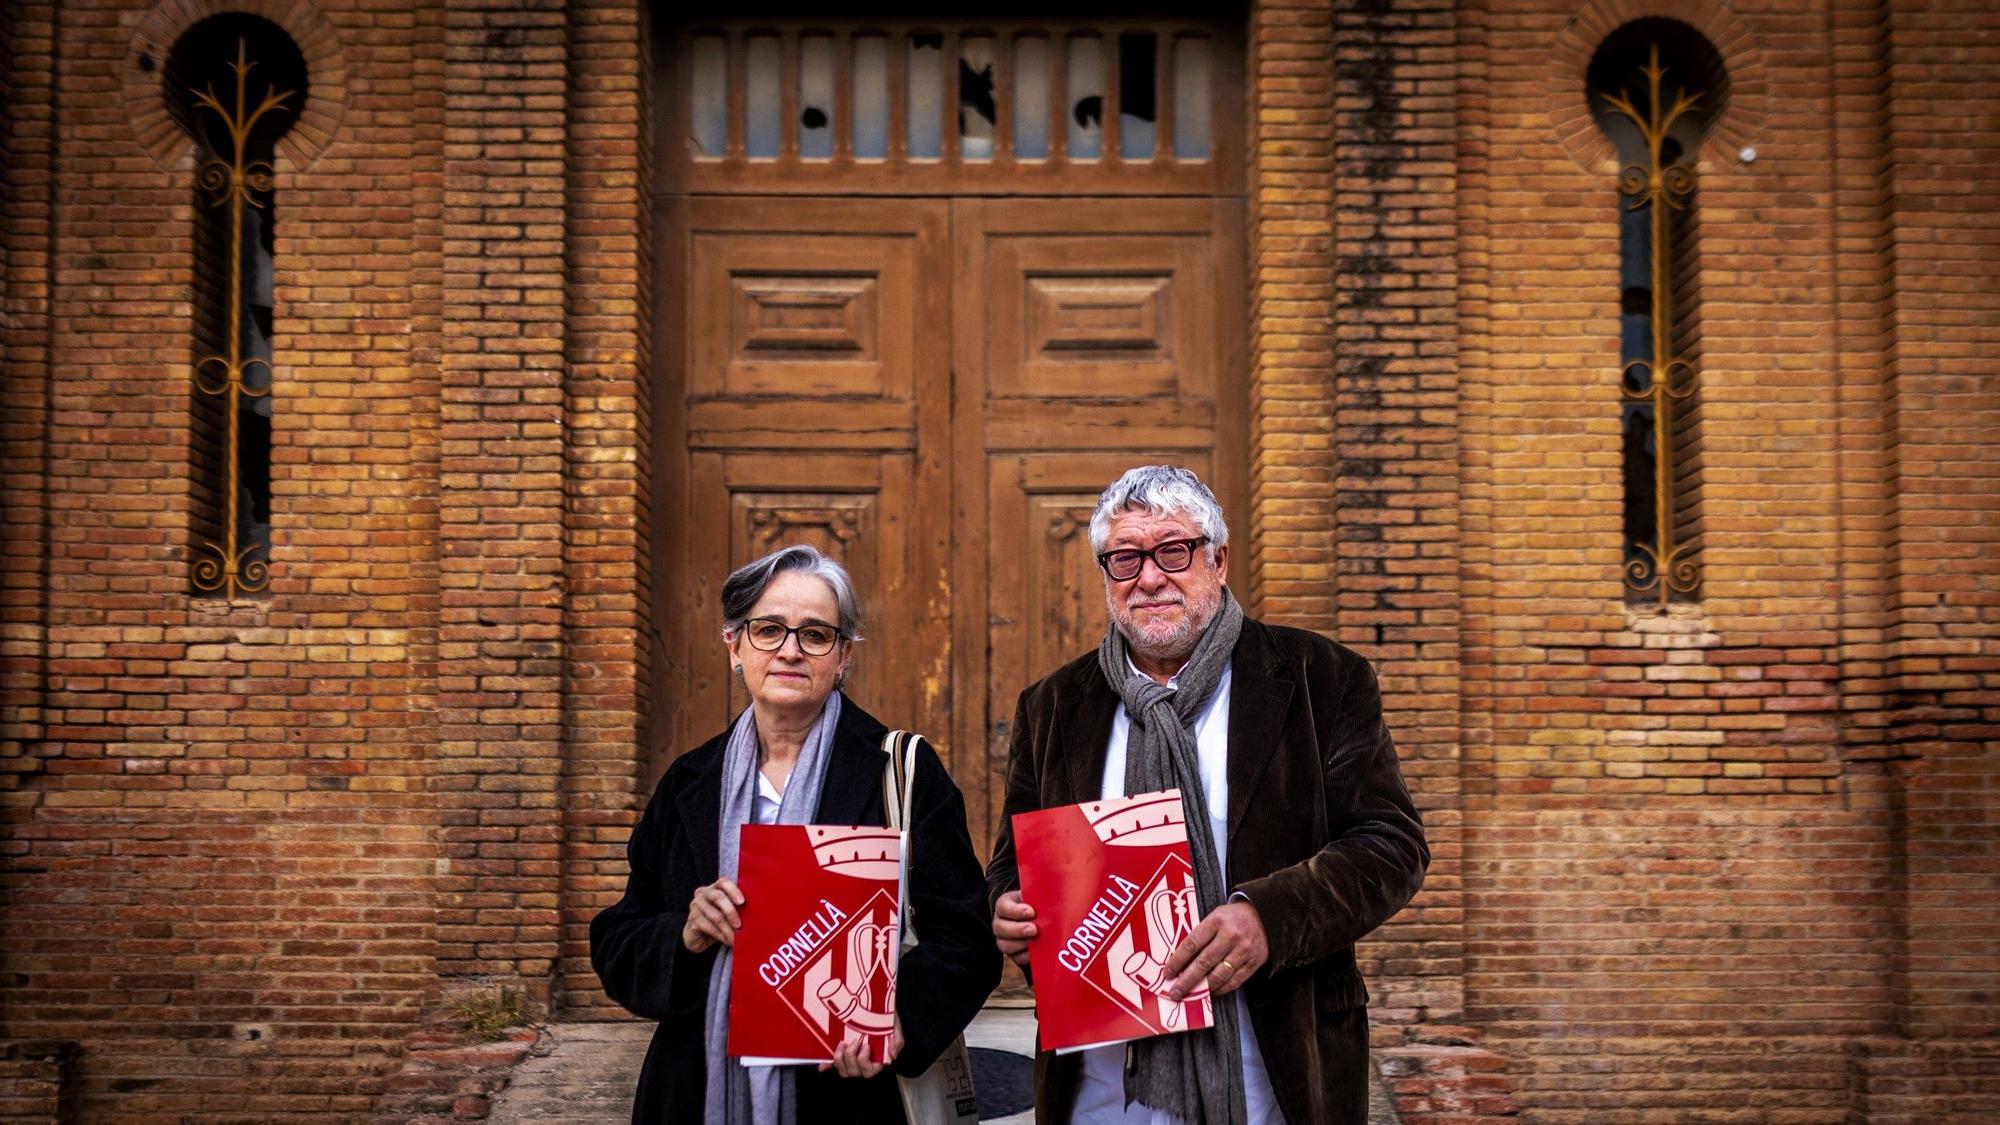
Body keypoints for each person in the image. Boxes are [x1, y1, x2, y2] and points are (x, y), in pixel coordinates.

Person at [987, 466, 1429, 1125]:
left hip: (1272, 1075)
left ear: (1217, 559)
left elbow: (1391, 846)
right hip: (1102, 1086)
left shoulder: (1319, 678)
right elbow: (1011, 862)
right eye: (1125, 557)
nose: (1150, 576)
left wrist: (1268, 918)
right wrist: (1007, 908)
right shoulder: (1053, 705)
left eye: (1174, 549)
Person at [593, 545, 1000, 1123]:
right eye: (769, 629)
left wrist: (898, 1020)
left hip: (848, 1094)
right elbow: (617, 941)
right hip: (696, 1090)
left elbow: (967, 941)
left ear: (843, 658)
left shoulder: (900, 770)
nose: (789, 649)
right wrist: (683, 933)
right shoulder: (690, 781)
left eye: (815, 634)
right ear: (734, 646)